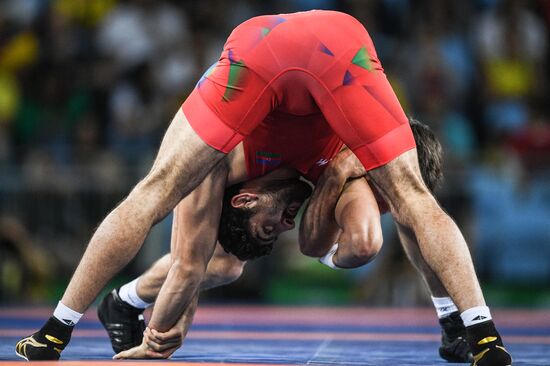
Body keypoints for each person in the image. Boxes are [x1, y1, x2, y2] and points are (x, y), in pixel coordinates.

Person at [16, 10, 511, 365]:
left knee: (173, 209)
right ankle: (474, 329)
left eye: (272, 225)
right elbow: (195, 267)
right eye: (281, 229)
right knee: (406, 200)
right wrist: (164, 337)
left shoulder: (228, 161)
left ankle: (62, 324)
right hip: (335, 48)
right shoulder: (276, 170)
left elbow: (192, 265)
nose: (286, 224)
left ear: (248, 196)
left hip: (261, 52)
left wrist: (159, 338)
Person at [100, 119, 471, 363]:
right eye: (387, 203)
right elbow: (363, 242)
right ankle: (109, 307)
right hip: (217, 152)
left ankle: (125, 300)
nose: (385, 211)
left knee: (225, 266)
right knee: (193, 258)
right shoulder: (356, 156)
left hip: (253, 164)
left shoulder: (357, 151)